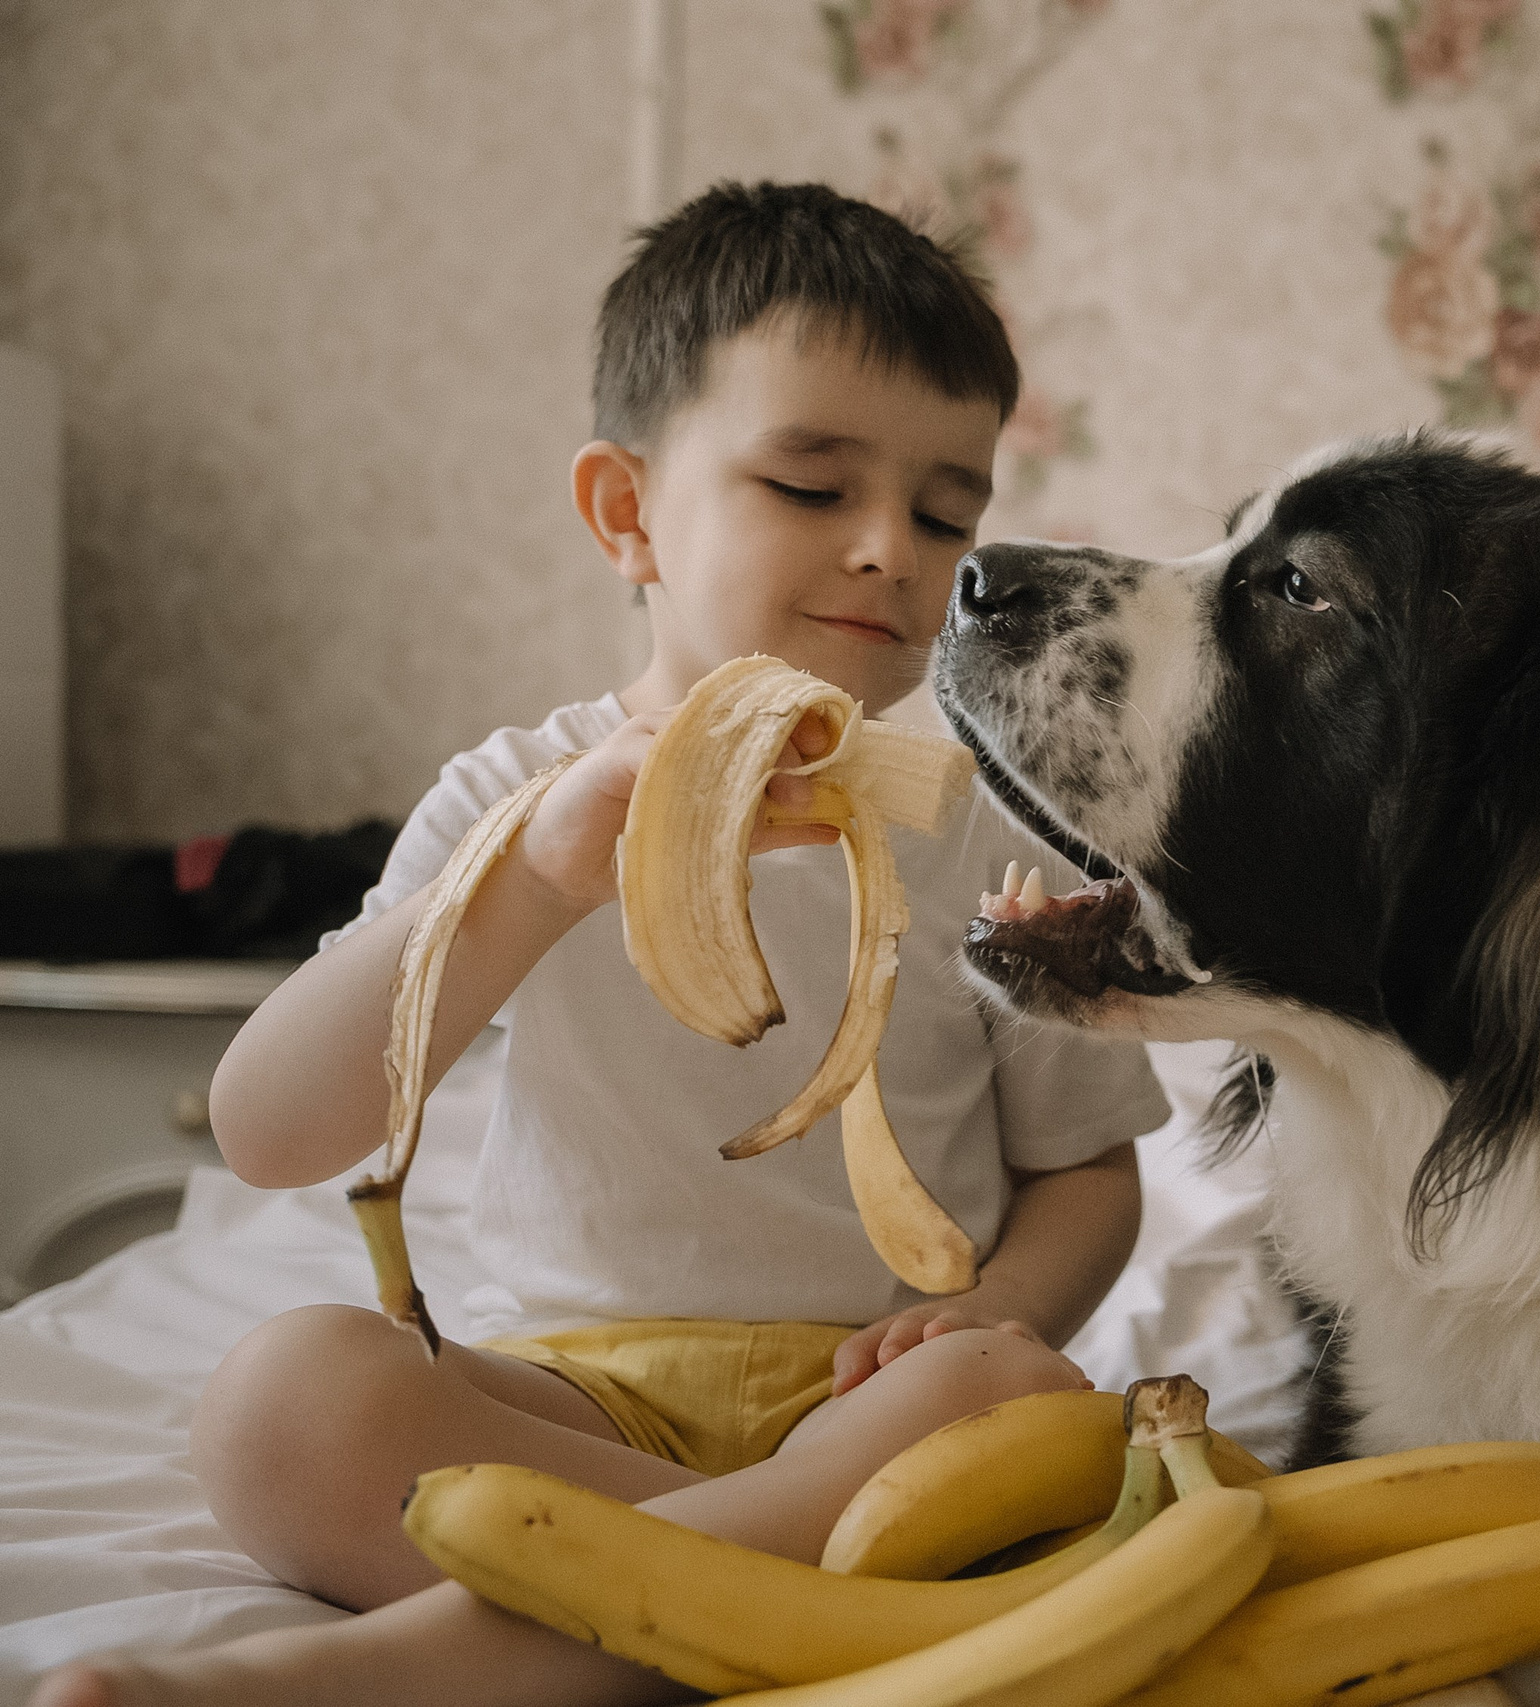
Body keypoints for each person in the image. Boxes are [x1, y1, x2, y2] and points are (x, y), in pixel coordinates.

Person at [35, 181, 1167, 1707]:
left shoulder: (985, 827)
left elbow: (1086, 1173)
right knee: (280, 1402)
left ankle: (424, 1662)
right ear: (627, 514)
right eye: (815, 487)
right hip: (586, 1404)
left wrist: (997, 1308)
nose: (896, 550)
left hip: (882, 1396)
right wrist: (543, 874)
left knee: (1020, 1397)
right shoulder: (515, 799)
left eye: (948, 507)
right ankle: (736, 1595)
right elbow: (272, 1132)